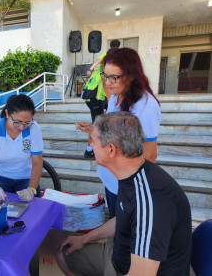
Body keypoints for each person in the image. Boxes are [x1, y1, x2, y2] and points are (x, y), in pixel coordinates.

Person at [57, 112, 192, 276]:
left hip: (135, 270)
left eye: (94, 141)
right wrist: (84, 239)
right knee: (63, 254)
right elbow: (123, 216)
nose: (91, 146)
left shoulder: (152, 199)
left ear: (111, 149)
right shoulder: (131, 173)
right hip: (118, 254)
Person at [77, 48, 161, 218]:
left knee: (123, 232)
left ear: (132, 75)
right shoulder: (117, 95)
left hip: (125, 184)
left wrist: (127, 186)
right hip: (111, 178)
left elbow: (150, 154)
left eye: (114, 77)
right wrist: (95, 130)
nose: (108, 82)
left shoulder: (145, 106)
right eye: (105, 76)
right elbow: (119, 131)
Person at [0, 94, 43, 202]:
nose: (22, 127)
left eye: (27, 122)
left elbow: (37, 162)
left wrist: (32, 189)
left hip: (25, 178)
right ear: (7, 113)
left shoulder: (34, 128)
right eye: (17, 122)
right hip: (0, 177)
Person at [82, 39, 121, 159]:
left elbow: (97, 62)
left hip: (96, 97)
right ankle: (89, 151)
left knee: (106, 119)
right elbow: (105, 86)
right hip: (94, 98)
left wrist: (90, 69)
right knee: (96, 125)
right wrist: (110, 105)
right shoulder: (106, 69)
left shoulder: (103, 64)